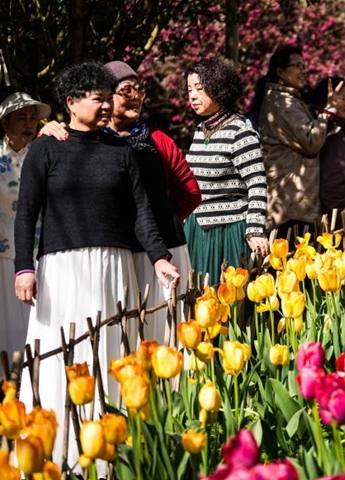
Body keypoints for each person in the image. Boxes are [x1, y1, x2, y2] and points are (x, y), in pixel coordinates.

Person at [14, 62, 179, 469]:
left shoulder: (121, 151)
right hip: (62, 268)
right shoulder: (46, 146)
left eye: (110, 98)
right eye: (98, 99)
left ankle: (109, 453)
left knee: (109, 350)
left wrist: (159, 257)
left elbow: (142, 212)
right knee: (61, 355)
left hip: (114, 265)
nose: (108, 106)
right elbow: (26, 213)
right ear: (71, 103)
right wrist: (24, 267)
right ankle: (54, 453)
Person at [39, 61, 202, 343]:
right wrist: (49, 128)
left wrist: (158, 218)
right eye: (126, 90)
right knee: (124, 334)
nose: (136, 97)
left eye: (140, 90)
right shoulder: (88, 141)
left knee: (166, 332)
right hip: (116, 254)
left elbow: (190, 192)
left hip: (163, 248)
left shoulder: (158, 140)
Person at [184, 57, 268, 280]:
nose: (192, 96)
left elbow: (257, 184)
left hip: (227, 231)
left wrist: (255, 229)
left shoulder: (240, 132)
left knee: (228, 303)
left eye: (199, 89)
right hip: (197, 229)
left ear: (219, 89)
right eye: (189, 89)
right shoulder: (200, 131)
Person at [258, 45, 343, 241]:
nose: (304, 72)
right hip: (290, 207)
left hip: (294, 205)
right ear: (280, 71)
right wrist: (328, 110)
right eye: (298, 66)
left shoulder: (288, 100)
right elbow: (311, 140)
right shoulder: (282, 104)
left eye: (305, 66)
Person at [0, 92, 51, 355]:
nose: (29, 124)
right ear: (5, 124)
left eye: (33, 118)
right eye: (22, 118)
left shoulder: (43, 155)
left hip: (40, 255)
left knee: (37, 329)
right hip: (4, 257)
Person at [308, 76, 345, 218]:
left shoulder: (332, 130)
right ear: (328, 99)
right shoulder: (332, 134)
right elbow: (332, 184)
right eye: (343, 98)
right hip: (330, 218)